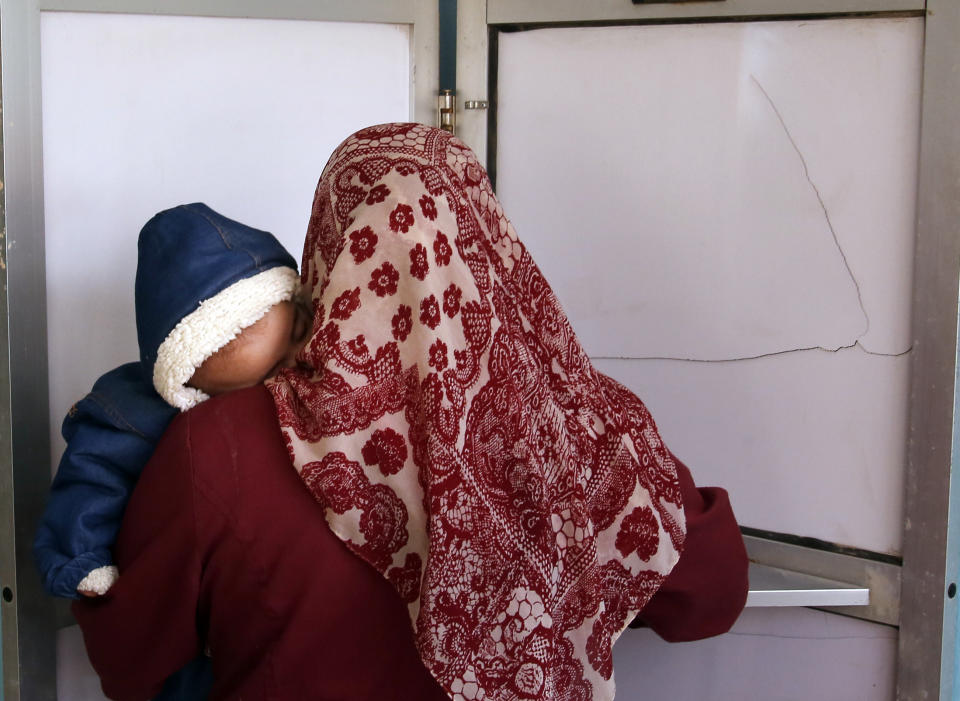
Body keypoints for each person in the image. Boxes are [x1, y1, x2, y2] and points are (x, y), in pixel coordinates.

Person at [73, 125, 748, 701]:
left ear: (330, 252)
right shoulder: (571, 426)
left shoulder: (216, 444)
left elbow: (129, 659)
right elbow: (713, 593)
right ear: (486, 243)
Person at [34, 202, 309, 699]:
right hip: (157, 578)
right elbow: (87, 481)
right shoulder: (129, 413)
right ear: (190, 386)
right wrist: (80, 560)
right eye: (262, 380)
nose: (291, 371)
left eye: (295, 337)